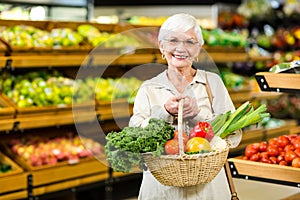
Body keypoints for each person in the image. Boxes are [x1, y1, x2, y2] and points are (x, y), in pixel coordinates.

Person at [129, 13, 242, 200]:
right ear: (162, 46)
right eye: (173, 40)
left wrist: (197, 117)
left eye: (190, 42)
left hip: (208, 191)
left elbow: (235, 136)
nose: (181, 48)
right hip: (162, 191)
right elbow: (135, 135)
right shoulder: (148, 88)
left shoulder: (212, 83)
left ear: (198, 49)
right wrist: (163, 112)